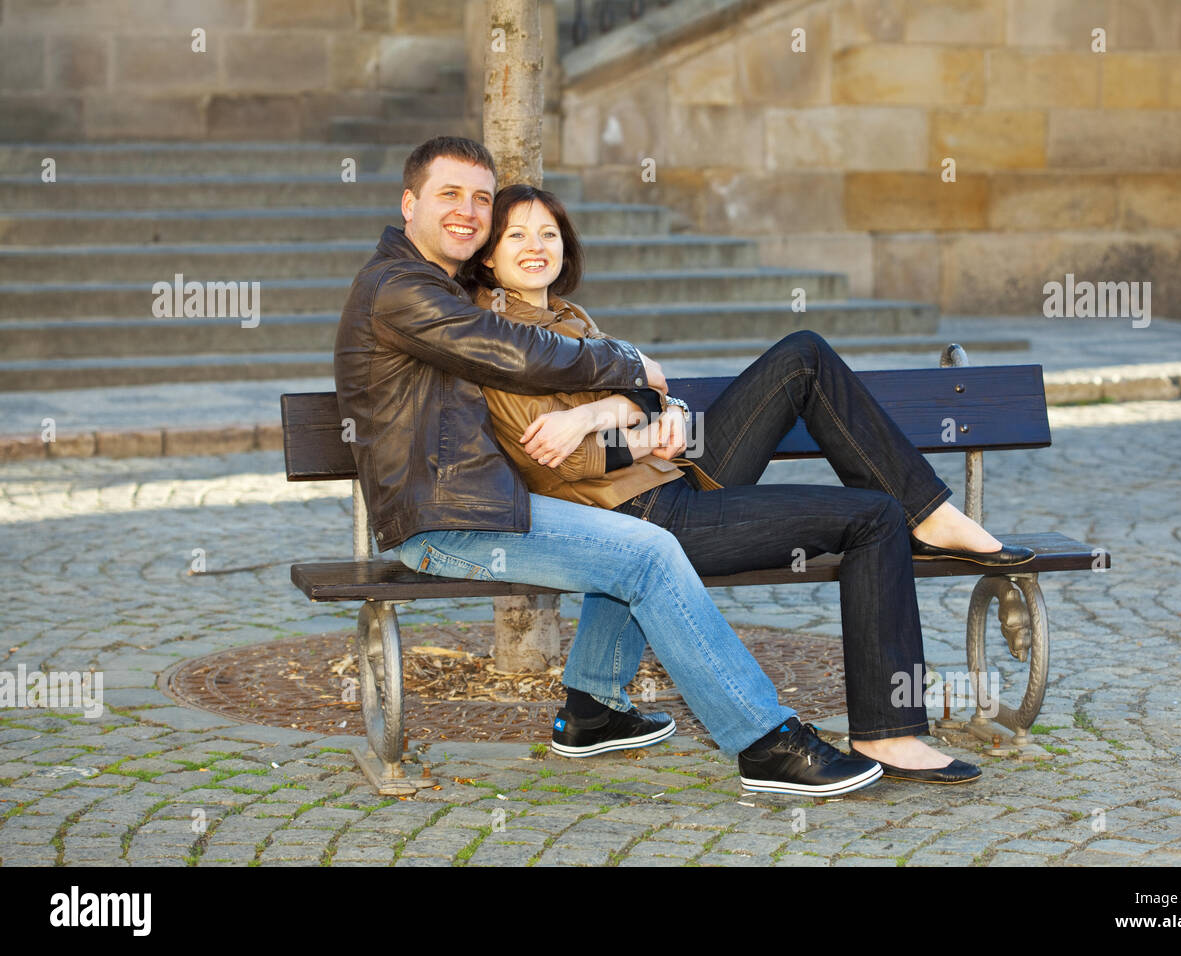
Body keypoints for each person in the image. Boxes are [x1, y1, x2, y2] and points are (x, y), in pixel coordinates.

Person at [335, 135, 887, 797]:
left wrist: (640, 397)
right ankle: (766, 743)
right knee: (648, 553)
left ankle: (594, 713)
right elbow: (515, 353)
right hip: (448, 522)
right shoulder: (400, 290)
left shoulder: (433, 283)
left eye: (480, 197)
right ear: (408, 203)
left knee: (626, 543)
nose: (468, 209)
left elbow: (546, 368)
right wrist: (629, 363)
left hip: (481, 502)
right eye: (449, 194)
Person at [460, 182, 1038, 784]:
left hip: (672, 476)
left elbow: (643, 384)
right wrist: (639, 430)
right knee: (873, 518)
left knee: (803, 356)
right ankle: (889, 733)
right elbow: (559, 462)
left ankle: (592, 708)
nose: (537, 246)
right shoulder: (496, 338)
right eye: (516, 236)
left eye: (548, 233)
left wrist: (652, 410)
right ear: (488, 257)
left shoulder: (567, 318)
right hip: (644, 515)